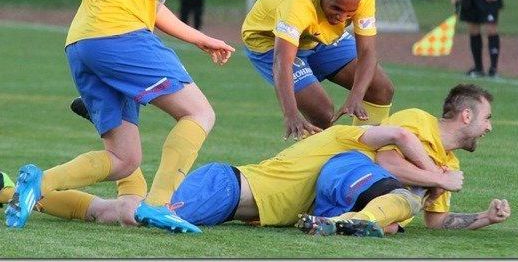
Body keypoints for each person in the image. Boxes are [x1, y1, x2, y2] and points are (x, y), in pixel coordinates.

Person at [5, 0, 273, 232]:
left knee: (123, 159)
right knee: (199, 112)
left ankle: (38, 184)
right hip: (117, 35)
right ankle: (159, 204)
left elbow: (155, 10)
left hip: (84, 44)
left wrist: (200, 39)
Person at [1, 109, 461, 234]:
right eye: (485, 119)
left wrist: (477, 216)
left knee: (124, 207)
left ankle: (18, 189)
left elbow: (389, 192)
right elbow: (399, 139)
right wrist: (440, 175)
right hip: (229, 186)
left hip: (234, 200)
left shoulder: (352, 171)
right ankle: (18, 191)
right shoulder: (352, 137)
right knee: (124, 212)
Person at [297, 83, 511, 236]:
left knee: (393, 225)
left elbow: (437, 221)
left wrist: (486, 217)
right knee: (411, 198)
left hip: (354, 202)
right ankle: (350, 222)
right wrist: (438, 179)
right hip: (347, 173)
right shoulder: (417, 119)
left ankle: (338, 224)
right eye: (487, 118)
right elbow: (387, 162)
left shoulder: (450, 164)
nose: (489, 127)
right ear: (466, 115)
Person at [241, 0, 394, 140]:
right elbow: (282, 62)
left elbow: (367, 50)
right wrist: (290, 113)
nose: (342, 18)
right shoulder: (297, 4)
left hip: (316, 33)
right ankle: (311, 163)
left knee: (380, 88)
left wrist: (356, 96)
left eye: (350, 13)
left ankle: (362, 156)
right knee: (321, 112)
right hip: (269, 40)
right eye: (336, 8)